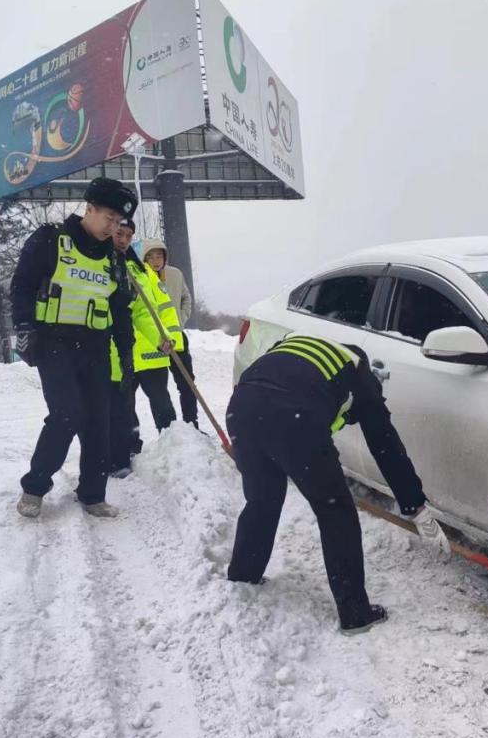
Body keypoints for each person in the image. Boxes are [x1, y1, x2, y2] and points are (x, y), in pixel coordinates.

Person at [226, 333, 451, 634]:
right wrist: (414, 505)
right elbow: (385, 446)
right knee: (336, 511)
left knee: (262, 499)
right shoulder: (359, 374)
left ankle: (244, 574)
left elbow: (272, 381)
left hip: (241, 407)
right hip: (294, 417)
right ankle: (355, 613)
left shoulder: (300, 346)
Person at [10, 177, 138, 519]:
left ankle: (93, 494)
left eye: (118, 222)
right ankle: (35, 487)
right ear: (90, 208)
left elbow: (120, 309)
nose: (113, 227)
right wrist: (23, 327)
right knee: (67, 415)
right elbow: (22, 285)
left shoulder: (114, 257)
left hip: (96, 346)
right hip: (54, 342)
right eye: (108, 218)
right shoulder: (51, 239)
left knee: (99, 421)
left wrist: (126, 353)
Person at [107, 218, 180, 477]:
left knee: (161, 403)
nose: (123, 239)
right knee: (121, 409)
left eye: (128, 235)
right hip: (117, 354)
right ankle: (123, 454)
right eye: (119, 233)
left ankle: (175, 448)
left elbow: (149, 312)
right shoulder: (101, 262)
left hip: (149, 353)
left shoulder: (139, 272)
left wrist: (164, 337)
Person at [141, 239, 198, 428]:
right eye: (151, 256)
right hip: (154, 342)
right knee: (158, 390)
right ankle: (169, 431)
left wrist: (180, 322)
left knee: (187, 384)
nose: (156, 261)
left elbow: (186, 298)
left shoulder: (175, 274)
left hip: (177, 338)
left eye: (159, 256)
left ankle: (192, 424)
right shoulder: (140, 276)